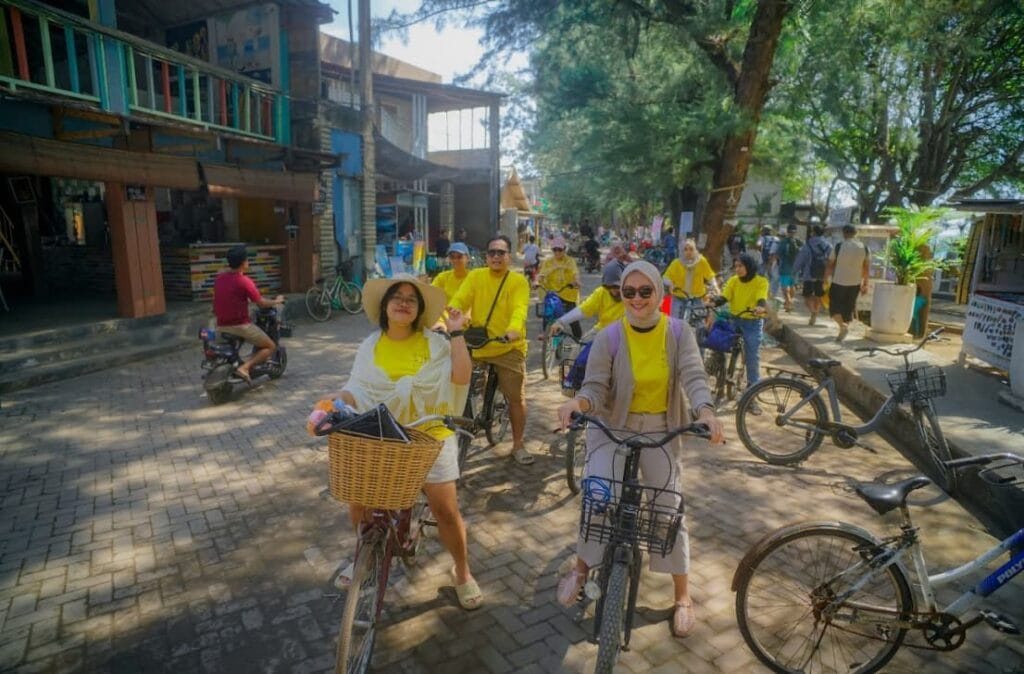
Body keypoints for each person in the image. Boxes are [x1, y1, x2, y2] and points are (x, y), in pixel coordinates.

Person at [555, 260, 724, 638]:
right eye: (628, 292)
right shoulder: (610, 336)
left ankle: (682, 595)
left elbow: (695, 376)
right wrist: (576, 405)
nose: (636, 298)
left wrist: (706, 412)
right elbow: (595, 387)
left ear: (658, 294)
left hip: (662, 428)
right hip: (613, 426)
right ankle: (582, 568)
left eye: (644, 291)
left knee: (667, 507)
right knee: (597, 497)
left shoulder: (679, 333)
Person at [312, 275, 482, 610]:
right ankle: (365, 554)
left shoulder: (436, 344)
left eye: (411, 299)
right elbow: (356, 390)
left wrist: (458, 332)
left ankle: (462, 571)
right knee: (358, 502)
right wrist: (333, 399)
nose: (404, 303)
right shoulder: (369, 345)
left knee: (445, 511)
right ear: (385, 306)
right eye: (397, 297)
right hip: (381, 436)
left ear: (419, 311)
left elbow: (461, 377)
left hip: (429, 433)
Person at [449, 235, 534, 465]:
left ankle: (518, 444)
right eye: (492, 253)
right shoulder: (476, 276)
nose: (496, 256)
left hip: (508, 347)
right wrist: (454, 312)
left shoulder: (518, 282)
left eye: (501, 252)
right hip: (479, 345)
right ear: (486, 257)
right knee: (454, 383)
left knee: (516, 398)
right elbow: (461, 298)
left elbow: (519, 309)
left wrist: (514, 329)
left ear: (509, 256)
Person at [212, 245, 284, 384]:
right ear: (244, 262)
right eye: (247, 259)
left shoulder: (219, 279)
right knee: (270, 346)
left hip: (220, 325)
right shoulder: (244, 281)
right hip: (240, 326)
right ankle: (245, 367)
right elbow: (261, 302)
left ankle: (242, 364)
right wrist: (276, 301)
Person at [716, 254, 769, 386]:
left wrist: (760, 307)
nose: (737, 269)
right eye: (736, 267)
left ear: (749, 266)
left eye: (741, 266)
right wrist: (714, 302)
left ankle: (752, 388)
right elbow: (725, 296)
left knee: (752, 355)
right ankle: (719, 377)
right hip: (734, 320)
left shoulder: (761, 282)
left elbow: (761, 298)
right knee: (718, 345)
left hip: (752, 322)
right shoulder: (733, 281)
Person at [549, 261, 625, 337]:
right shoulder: (601, 292)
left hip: (625, 333)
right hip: (603, 330)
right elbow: (583, 310)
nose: (613, 291)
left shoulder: (632, 295)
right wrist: (561, 321)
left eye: (617, 287)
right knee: (583, 346)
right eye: (608, 287)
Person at [825, 224, 870, 342]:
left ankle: (843, 327)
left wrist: (825, 278)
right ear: (856, 233)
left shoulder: (839, 246)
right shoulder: (864, 247)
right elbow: (866, 267)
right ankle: (843, 329)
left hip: (839, 281)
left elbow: (830, 264)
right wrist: (865, 284)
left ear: (844, 233)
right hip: (855, 283)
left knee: (834, 307)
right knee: (848, 308)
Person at [537, 237, 582, 339]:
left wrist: (577, 281)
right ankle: (546, 333)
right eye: (554, 249)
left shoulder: (570, 261)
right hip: (553, 294)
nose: (557, 252)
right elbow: (542, 274)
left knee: (572, 319)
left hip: (568, 294)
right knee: (547, 313)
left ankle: (579, 341)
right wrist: (537, 281)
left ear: (564, 249)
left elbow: (575, 272)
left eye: (559, 249)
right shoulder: (548, 262)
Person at [662, 239, 719, 319]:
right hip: (679, 297)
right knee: (675, 322)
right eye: (685, 249)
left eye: (691, 249)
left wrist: (716, 287)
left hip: (697, 298)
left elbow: (710, 276)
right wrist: (671, 284)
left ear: (695, 250)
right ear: (682, 251)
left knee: (698, 322)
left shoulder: (701, 261)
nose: (688, 252)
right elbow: (665, 277)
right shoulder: (676, 263)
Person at [792, 224, 833, 326]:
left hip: (809, 275)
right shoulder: (828, 245)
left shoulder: (807, 245)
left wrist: (794, 271)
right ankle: (815, 312)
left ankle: (812, 311)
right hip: (822, 276)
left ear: (813, 233)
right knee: (818, 296)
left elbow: (800, 260)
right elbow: (832, 261)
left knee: (806, 297)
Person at [774, 224, 803, 312]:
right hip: (795, 269)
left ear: (787, 231)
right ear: (795, 231)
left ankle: (788, 302)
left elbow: (777, 254)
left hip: (785, 268)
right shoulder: (799, 242)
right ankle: (788, 303)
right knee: (792, 285)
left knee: (785, 287)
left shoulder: (783, 242)